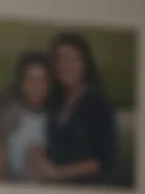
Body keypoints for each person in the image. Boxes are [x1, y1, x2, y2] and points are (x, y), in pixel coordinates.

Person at [29, 32, 117, 185]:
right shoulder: (55, 102)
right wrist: (37, 155)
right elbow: (51, 143)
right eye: (59, 59)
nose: (64, 66)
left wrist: (57, 173)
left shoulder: (99, 105)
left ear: (84, 63)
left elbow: (104, 160)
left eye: (71, 59)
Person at [0, 51, 52, 181]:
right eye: (31, 80)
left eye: (42, 81)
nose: (37, 87)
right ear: (21, 83)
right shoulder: (8, 114)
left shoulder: (54, 117)